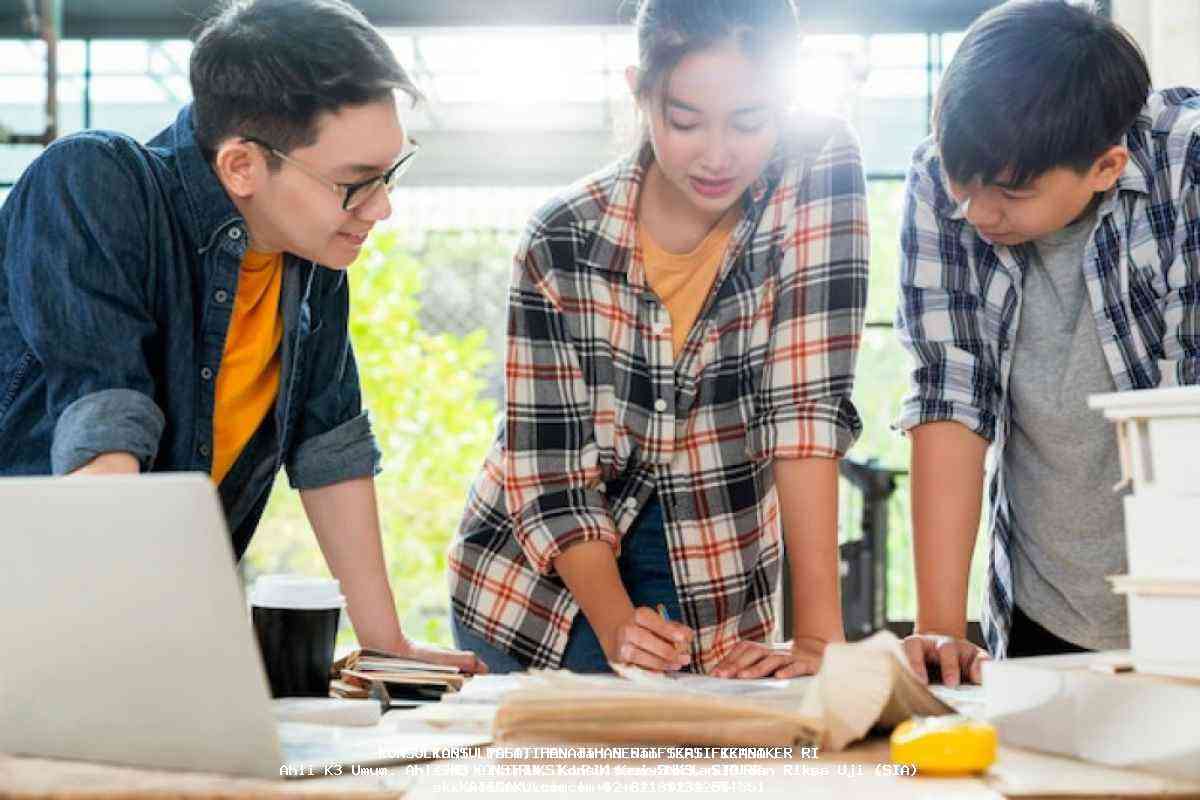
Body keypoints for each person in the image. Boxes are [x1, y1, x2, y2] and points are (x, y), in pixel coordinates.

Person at [0, 0, 484, 672]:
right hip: (37, 617)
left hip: (150, 628)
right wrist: (111, 651)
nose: (381, 207)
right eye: (354, 184)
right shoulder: (94, 182)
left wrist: (386, 648)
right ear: (241, 167)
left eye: (389, 174)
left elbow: (329, 446)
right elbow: (104, 423)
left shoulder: (311, 262)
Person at [448, 0, 868, 676]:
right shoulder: (561, 237)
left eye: (750, 120)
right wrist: (616, 627)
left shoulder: (817, 165)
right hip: (541, 592)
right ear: (640, 92)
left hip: (715, 566)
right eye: (685, 121)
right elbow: (550, 471)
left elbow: (805, 405)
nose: (718, 155)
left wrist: (820, 640)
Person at [896, 0, 1198, 685]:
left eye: (1010, 192)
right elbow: (950, 390)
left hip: (1186, 603)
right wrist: (940, 631)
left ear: (1105, 165)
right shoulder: (943, 184)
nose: (976, 212)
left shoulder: (1190, 165)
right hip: (1045, 609)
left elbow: (1190, 420)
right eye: (960, 180)